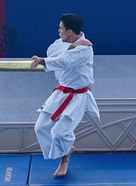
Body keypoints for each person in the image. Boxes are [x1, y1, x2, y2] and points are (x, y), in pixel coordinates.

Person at [31, 13, 99, 177]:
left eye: (61, 28)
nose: (58, 30)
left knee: (60, 133)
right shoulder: (65, 43)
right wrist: (71, 46)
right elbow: (52, 50)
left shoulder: (85, 48)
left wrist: (42, 61)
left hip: (77, 96)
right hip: (61, 92)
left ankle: (64, 159)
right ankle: (67, 148)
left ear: (69, 31)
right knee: (40, 127)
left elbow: (63, 60)